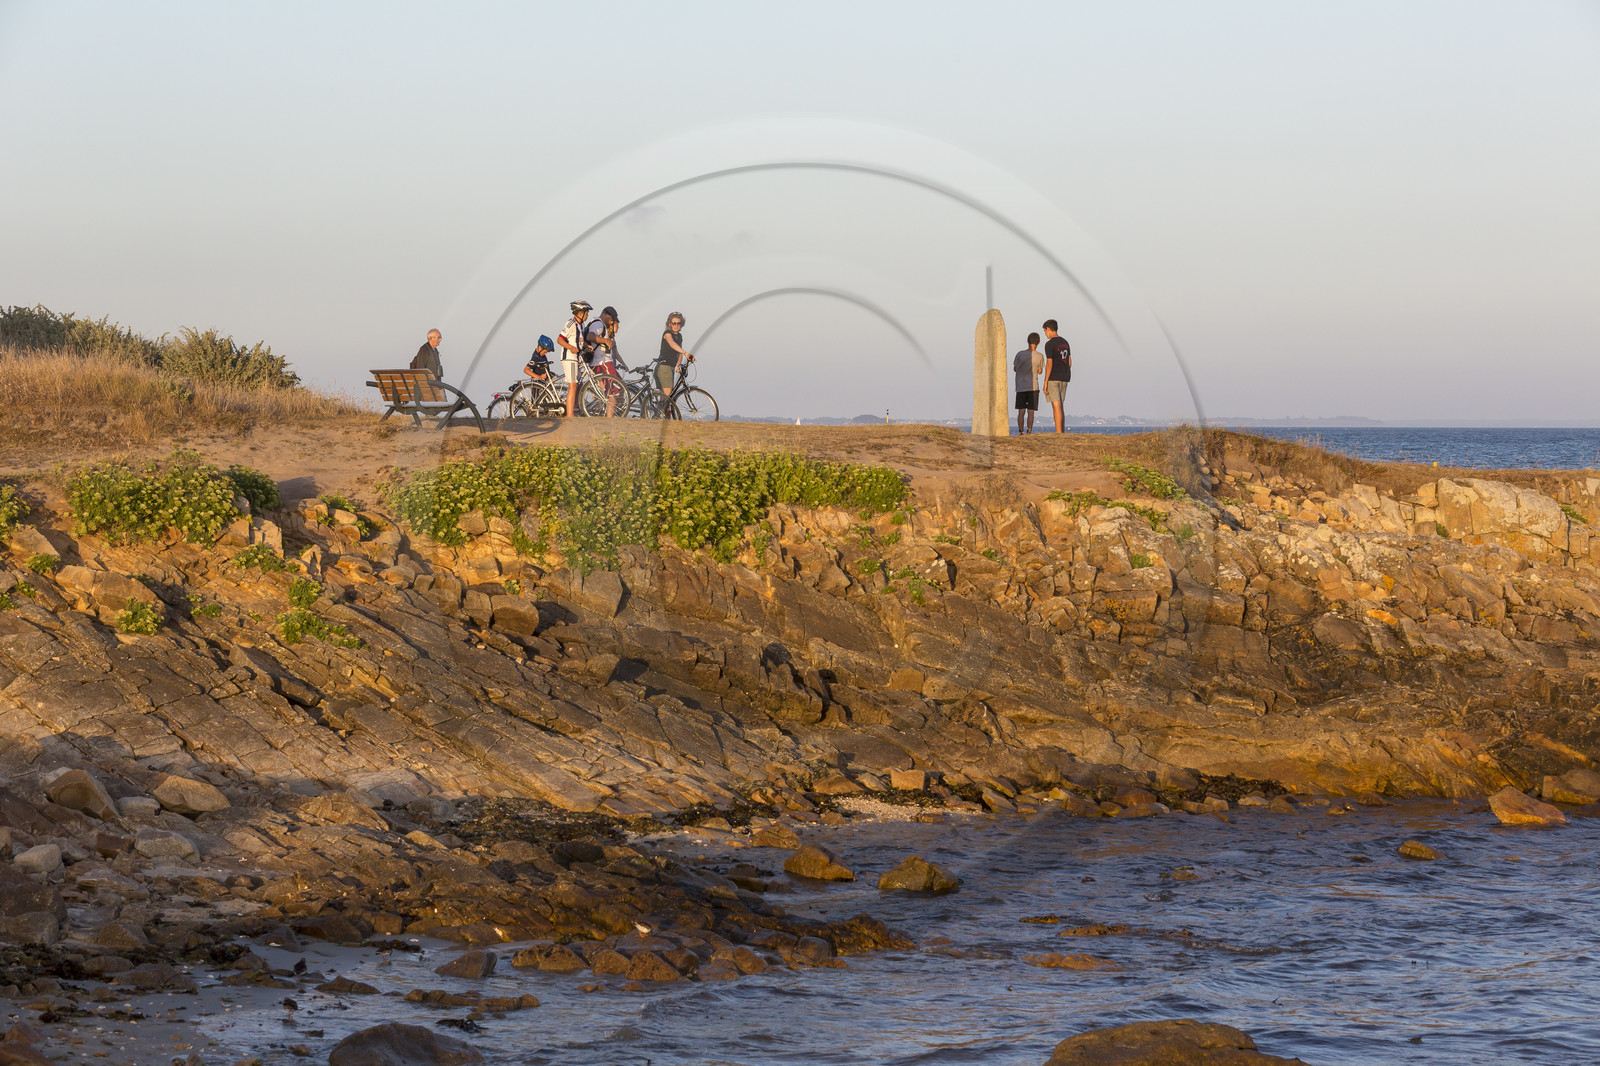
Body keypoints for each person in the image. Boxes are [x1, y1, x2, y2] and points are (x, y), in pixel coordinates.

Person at [585, 306, 625, 417]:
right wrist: (605, 340)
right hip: (602, 362)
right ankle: (610, 418)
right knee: (613, 391)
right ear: (605, 314)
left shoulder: (600, 324)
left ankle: (616, 414)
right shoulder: (599, 323)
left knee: (620, 387)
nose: (612, 322)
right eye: (612, 319)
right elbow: (590, 336)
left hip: (604, 362)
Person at [556, 301, 591, 417]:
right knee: (573, 385)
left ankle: (574, 411)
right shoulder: (571, 324)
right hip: (569, 358)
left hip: (577, 359)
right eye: (586, 313)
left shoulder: (580, 325)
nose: (587, 315)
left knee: (578, 385)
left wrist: (586, 345)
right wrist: (570, 347)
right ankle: (569, 415)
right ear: (580, 313)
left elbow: (579, 340)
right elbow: (560, 339)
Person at [1042, 318, 1071, 433]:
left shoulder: (1049, 344)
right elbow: (1069, 361)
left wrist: (1045, 382)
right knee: (1061, 405)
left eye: (1045, 331)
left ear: (1048, 329)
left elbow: (1049, 363)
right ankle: (1062, 431)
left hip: (1053, 377)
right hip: (1065, 376)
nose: (1045, 334)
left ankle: (1058, 433)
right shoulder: (1065, 342)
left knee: (1056, 405)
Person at [656, 311, 694, 400]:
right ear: (669, 324)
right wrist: (686, 353)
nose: (676, 325)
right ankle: (664, 412)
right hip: (664, 367)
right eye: (674, 323)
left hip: (671, 367)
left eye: (678, 323)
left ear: (681, 324)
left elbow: (679, 352)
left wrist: (678, 365)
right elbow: (672, 344)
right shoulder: (667, 334)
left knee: (665, 396)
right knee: (668, 397)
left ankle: (660, 413)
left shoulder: (679, 336)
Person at [1014, 331, 1042, 435]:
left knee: (1021, 412)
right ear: (1038, 343)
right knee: (1031, 411)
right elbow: (1040, 371)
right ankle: (1029, 431)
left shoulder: (1020, 354)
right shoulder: (1040, 356)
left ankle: (1020, 431)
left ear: (1027, 341)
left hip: (1021, 386)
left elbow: (1015, 368)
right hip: (1033, 387)